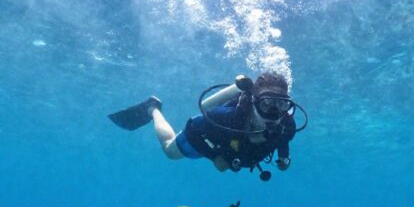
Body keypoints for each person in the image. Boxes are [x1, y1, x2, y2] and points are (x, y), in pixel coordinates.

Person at [109, 72, 304, 181]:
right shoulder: (226, 118)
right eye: (267, 103)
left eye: (281, 104)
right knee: (170, 150)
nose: (274, 112)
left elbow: (283, 139)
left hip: (236, 151)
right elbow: (193, 127)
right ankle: (152, 108)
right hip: (212, 138)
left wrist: (284, 158)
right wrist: (214, 156)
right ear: (254, 102)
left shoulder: (287, 124)